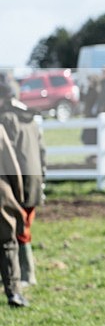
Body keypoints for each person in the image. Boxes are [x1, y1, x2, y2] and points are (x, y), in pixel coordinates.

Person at [0, 81, 45, 290]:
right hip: (34, 180)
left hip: (15, 181)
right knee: (22, 226)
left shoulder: (7, 118)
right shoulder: (31, 119)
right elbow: (42, 151)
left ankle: (24, 275)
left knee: (14, 229)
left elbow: (7, 156)